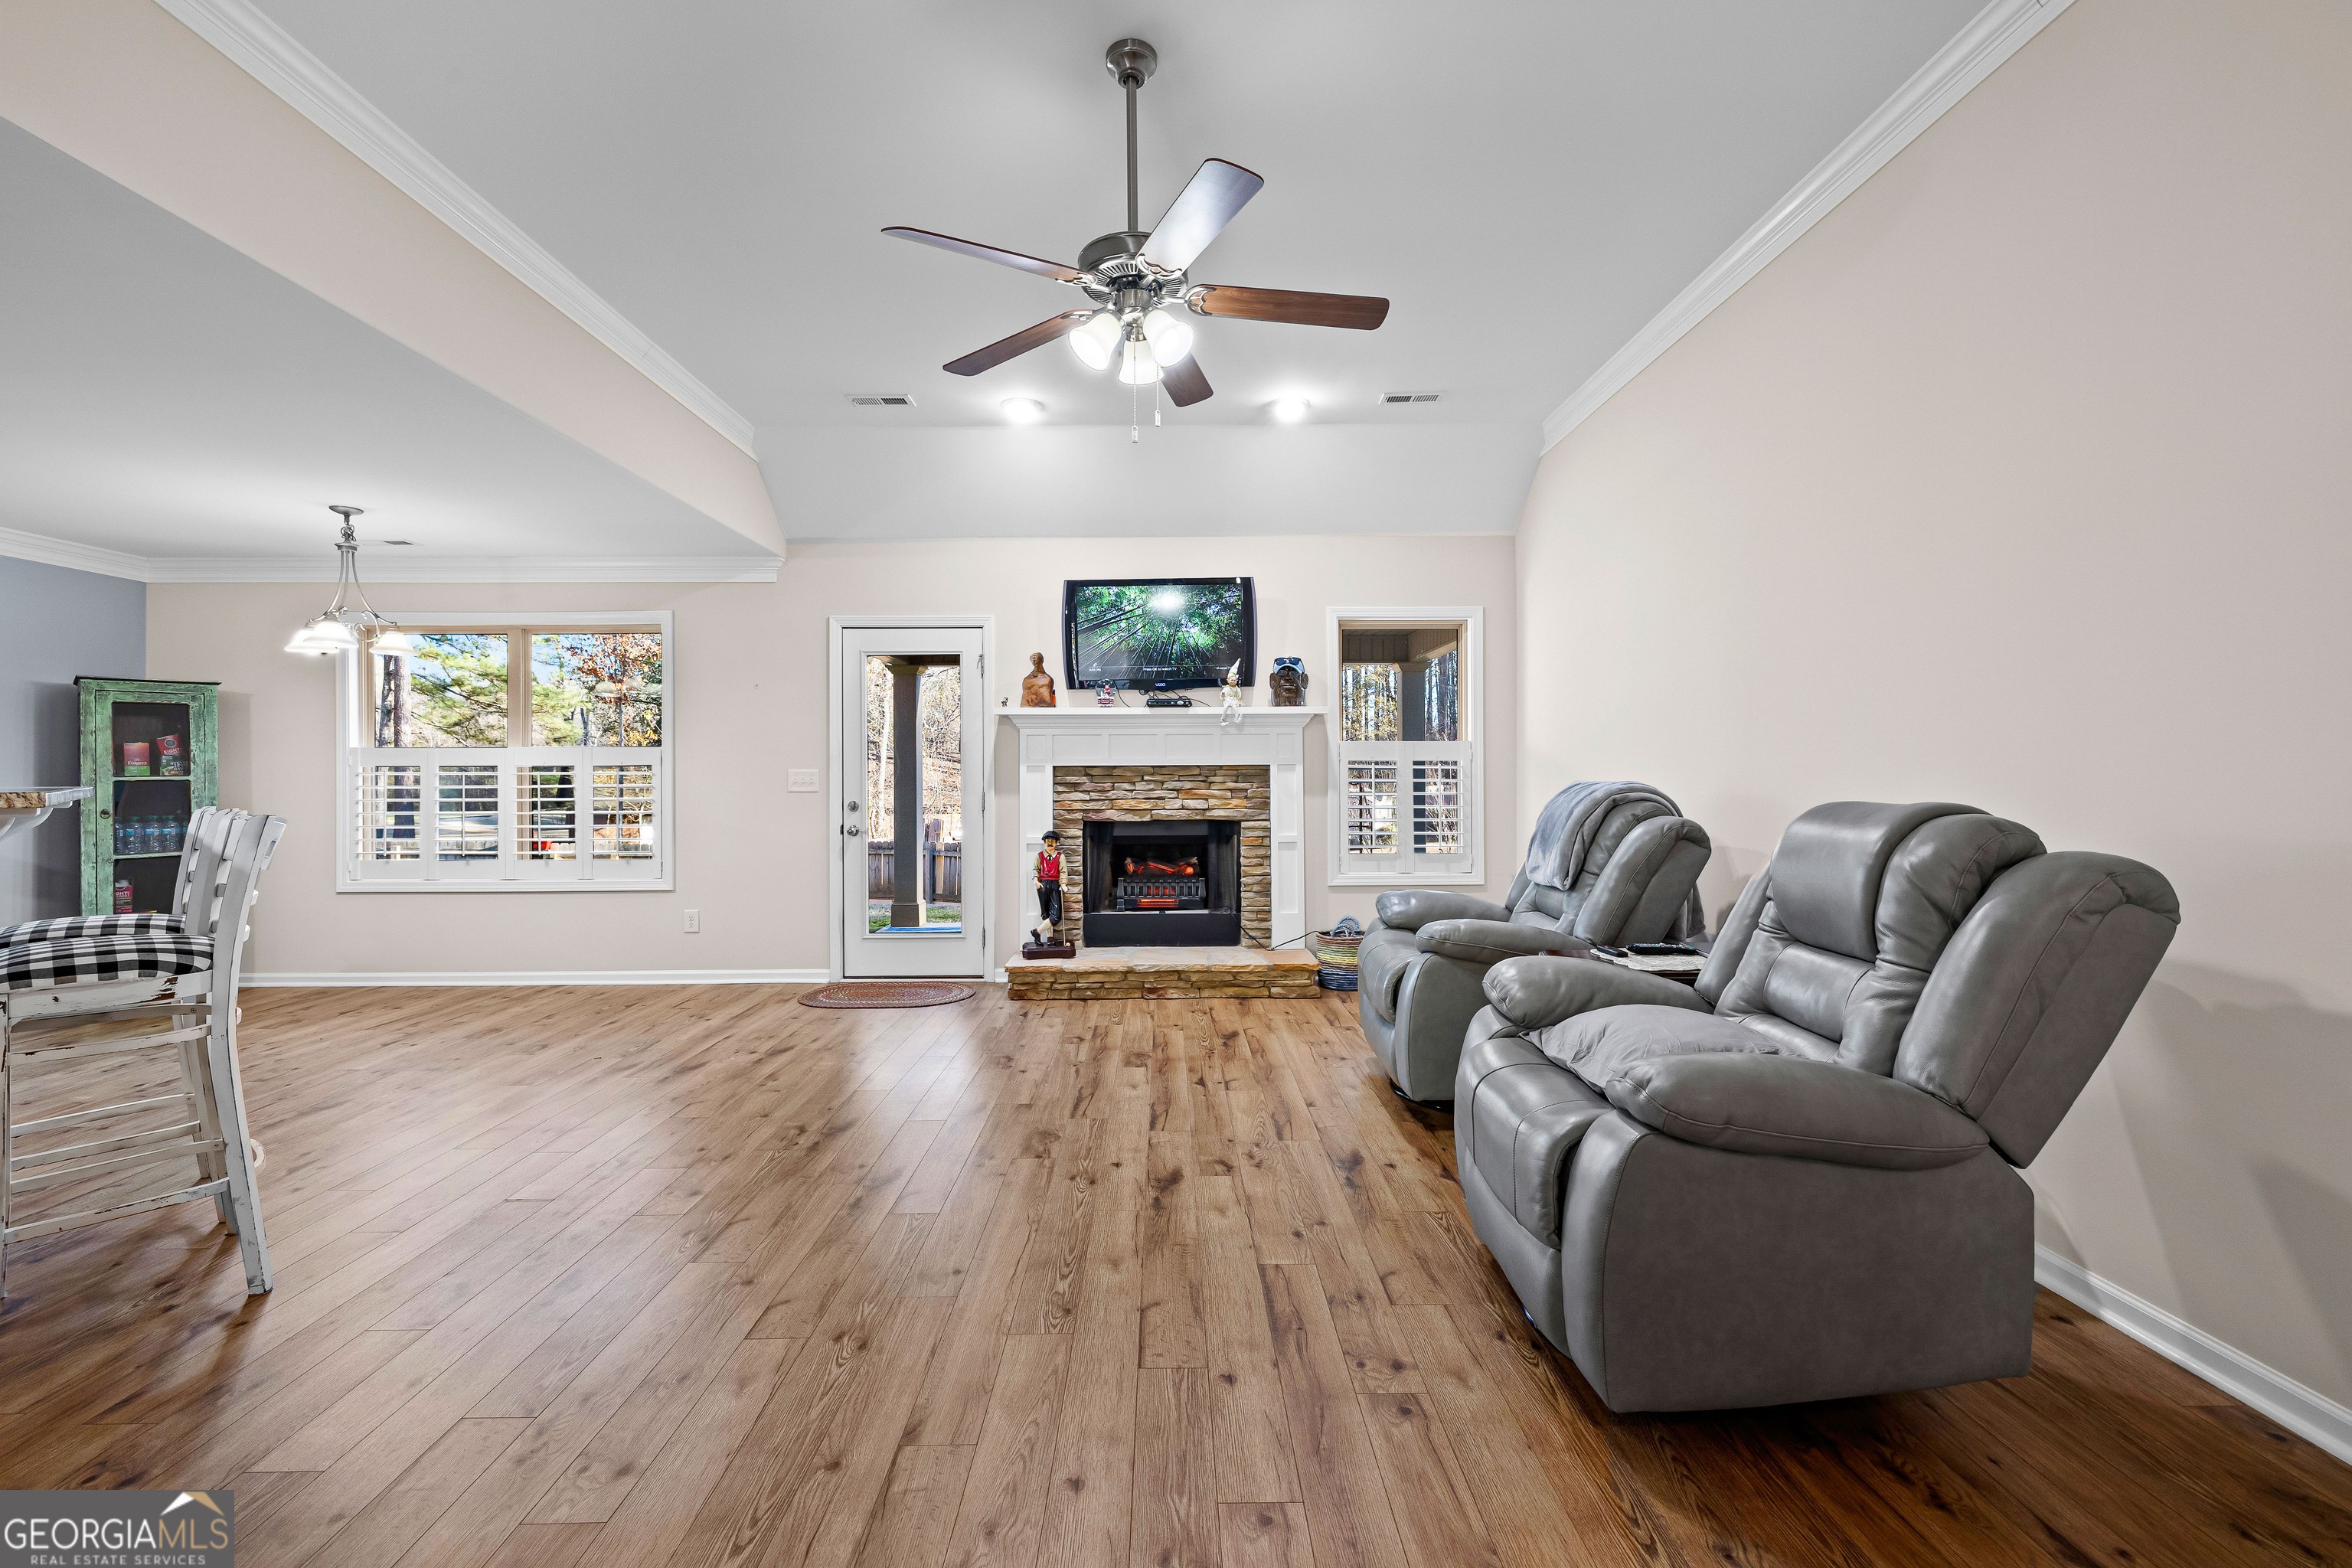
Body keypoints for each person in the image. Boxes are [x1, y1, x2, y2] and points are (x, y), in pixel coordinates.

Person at [1034, 829, 1064, 938]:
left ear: (1056, 843)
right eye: (1048, 841)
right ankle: (1049, 937)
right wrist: (1036, 881)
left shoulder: (1060, 856)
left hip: (1055, 884)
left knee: (1056, 916)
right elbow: (1036, 869)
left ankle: (1037, 932)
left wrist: (1063, 883)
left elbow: (1063, 871)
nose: (1050, 843)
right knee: (1045, 912)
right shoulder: (1040, 856)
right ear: (1045, 842)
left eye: (1052, 841)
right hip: (1043, 884)